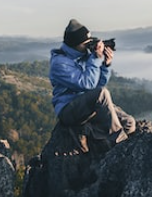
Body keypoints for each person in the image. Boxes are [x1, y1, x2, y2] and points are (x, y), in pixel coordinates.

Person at [49, 19, 135, 152]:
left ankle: (98, 140)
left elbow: (97, 85)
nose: (89, 46)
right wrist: (95, 58)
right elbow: (88, 85)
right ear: (75, 44)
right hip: (68, 110)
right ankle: (119, 146)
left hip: (87, 106)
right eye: (86, 44)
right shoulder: (60, 63)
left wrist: (106, 65)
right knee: (102, 93)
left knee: (129, 123)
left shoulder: (84, 56)